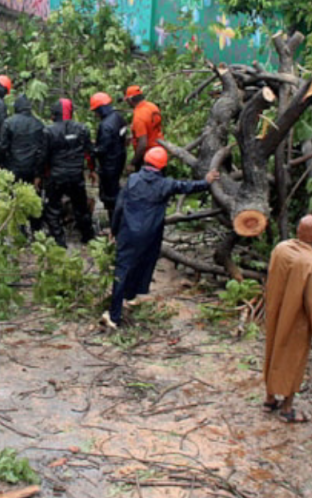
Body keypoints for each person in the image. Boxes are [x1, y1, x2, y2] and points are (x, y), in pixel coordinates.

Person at [105, 147, 219, 329]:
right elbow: (186, 187)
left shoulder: (133, 180)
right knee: (143, 264)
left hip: (128, 232)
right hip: (150, 235)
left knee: (122, 269)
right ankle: (132, 295)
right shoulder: (165, 184)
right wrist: (206, 182)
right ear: (162, 166)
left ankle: (114, 314)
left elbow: (119, 206)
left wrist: (114, 229)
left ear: (145, 162)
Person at [262, 214, 312, 424]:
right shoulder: (311, 262)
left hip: (275, 312)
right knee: (294, 359)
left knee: (273, 351)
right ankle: (288, 408)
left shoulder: (281, 248)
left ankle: (270, 398)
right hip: (296, 319)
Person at [43, 97, 95, 247]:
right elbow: (89, 153)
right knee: (81, 208)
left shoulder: (48, 131)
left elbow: (43, 157)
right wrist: (92, 170)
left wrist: (40, 175)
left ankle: (59, 242)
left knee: (53, 209)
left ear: (54, 113)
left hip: (56, 176)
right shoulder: (82, 129)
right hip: (75, 175)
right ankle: (88, 238)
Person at [0, 94, 45, 185]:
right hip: (31, 168)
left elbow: (2, 146)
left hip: (12, 166)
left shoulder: (9, 123)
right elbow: (42, 151)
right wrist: (39, 174)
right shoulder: (39, 124)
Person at [92, 92, 126, 217]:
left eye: (96, 111)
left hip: (109, 164)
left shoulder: (105, 125)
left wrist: (91, 150)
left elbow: (102, 149)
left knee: (109, 196)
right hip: (119, 159)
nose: (95, 114)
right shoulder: (118, 118)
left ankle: (114, 224)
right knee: (116, 189)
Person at [124, 85, 162, 170]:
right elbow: (151, 129)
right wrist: (133, 137)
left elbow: (142, 144)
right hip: (159, 153)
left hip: (148, 157)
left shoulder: (139, 116)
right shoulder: (152, 106)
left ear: (130, 100)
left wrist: (133, 162)